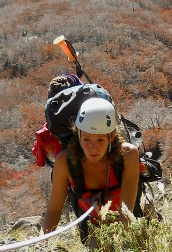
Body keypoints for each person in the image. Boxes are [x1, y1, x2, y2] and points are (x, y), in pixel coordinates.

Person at [41, 97, 140, 240]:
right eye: (86, 139)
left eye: (100, 140)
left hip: (131, 221)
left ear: (111, 136)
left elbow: (127, 213)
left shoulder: (128, 155)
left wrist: (119, 246)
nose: (93, 148)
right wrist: (42, 244)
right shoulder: (65, 162)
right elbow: (54, 210)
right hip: (94, 229)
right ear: (78, 134)